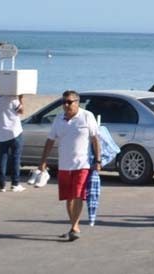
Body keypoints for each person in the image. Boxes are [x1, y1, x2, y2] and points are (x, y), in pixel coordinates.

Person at [38, 90, 101, 241]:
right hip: (64, 165)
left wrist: (98, 161)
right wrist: (43, 161)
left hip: (82, 164)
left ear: (77, 102)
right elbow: (50, 140)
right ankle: (73, 225)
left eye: (69, 102)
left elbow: (95, 139)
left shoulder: (87, 116)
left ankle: (75, 227)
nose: (66, 105)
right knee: (68, 197)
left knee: (78, 194)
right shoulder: (59, 119)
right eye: (64, 102)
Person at [0, 78, 25, 192]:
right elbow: (21, 111)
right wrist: (21, 99)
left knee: (3, 158)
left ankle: (2, 185)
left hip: (1, 134)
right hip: (15, 132)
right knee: (16, 158)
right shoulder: (11, 98)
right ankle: (15, 184)